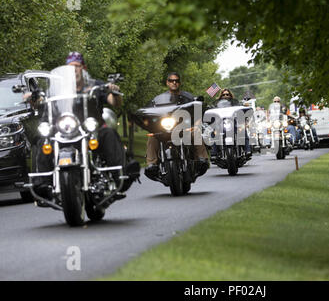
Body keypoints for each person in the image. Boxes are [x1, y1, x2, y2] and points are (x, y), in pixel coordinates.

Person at [30, 52, 137, 199]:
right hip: (65, 130)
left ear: (83, 68)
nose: (73, 71)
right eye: (70, 68)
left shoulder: (95, 86)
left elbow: (114, 102)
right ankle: (42, 184)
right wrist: (34, 98)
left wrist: (114, 92)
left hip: (91, 130)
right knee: (42, 140)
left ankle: (120, 177)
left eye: (77, 67)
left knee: (110, 134)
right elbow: (41, 102)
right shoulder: (58, 90)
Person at [145, 72, 209, 177]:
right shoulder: (158, 99)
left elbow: (196, 111)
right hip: (166, 128)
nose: (174, 82)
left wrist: (196, 123)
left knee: (196, 132)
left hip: (184, 127)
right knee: (152, 137)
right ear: (167, 82)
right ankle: (152, 164)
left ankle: (202, 159)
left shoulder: (187, 97)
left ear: (179, 83)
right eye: (171, 80)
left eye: (176, 81)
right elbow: (153, 113)